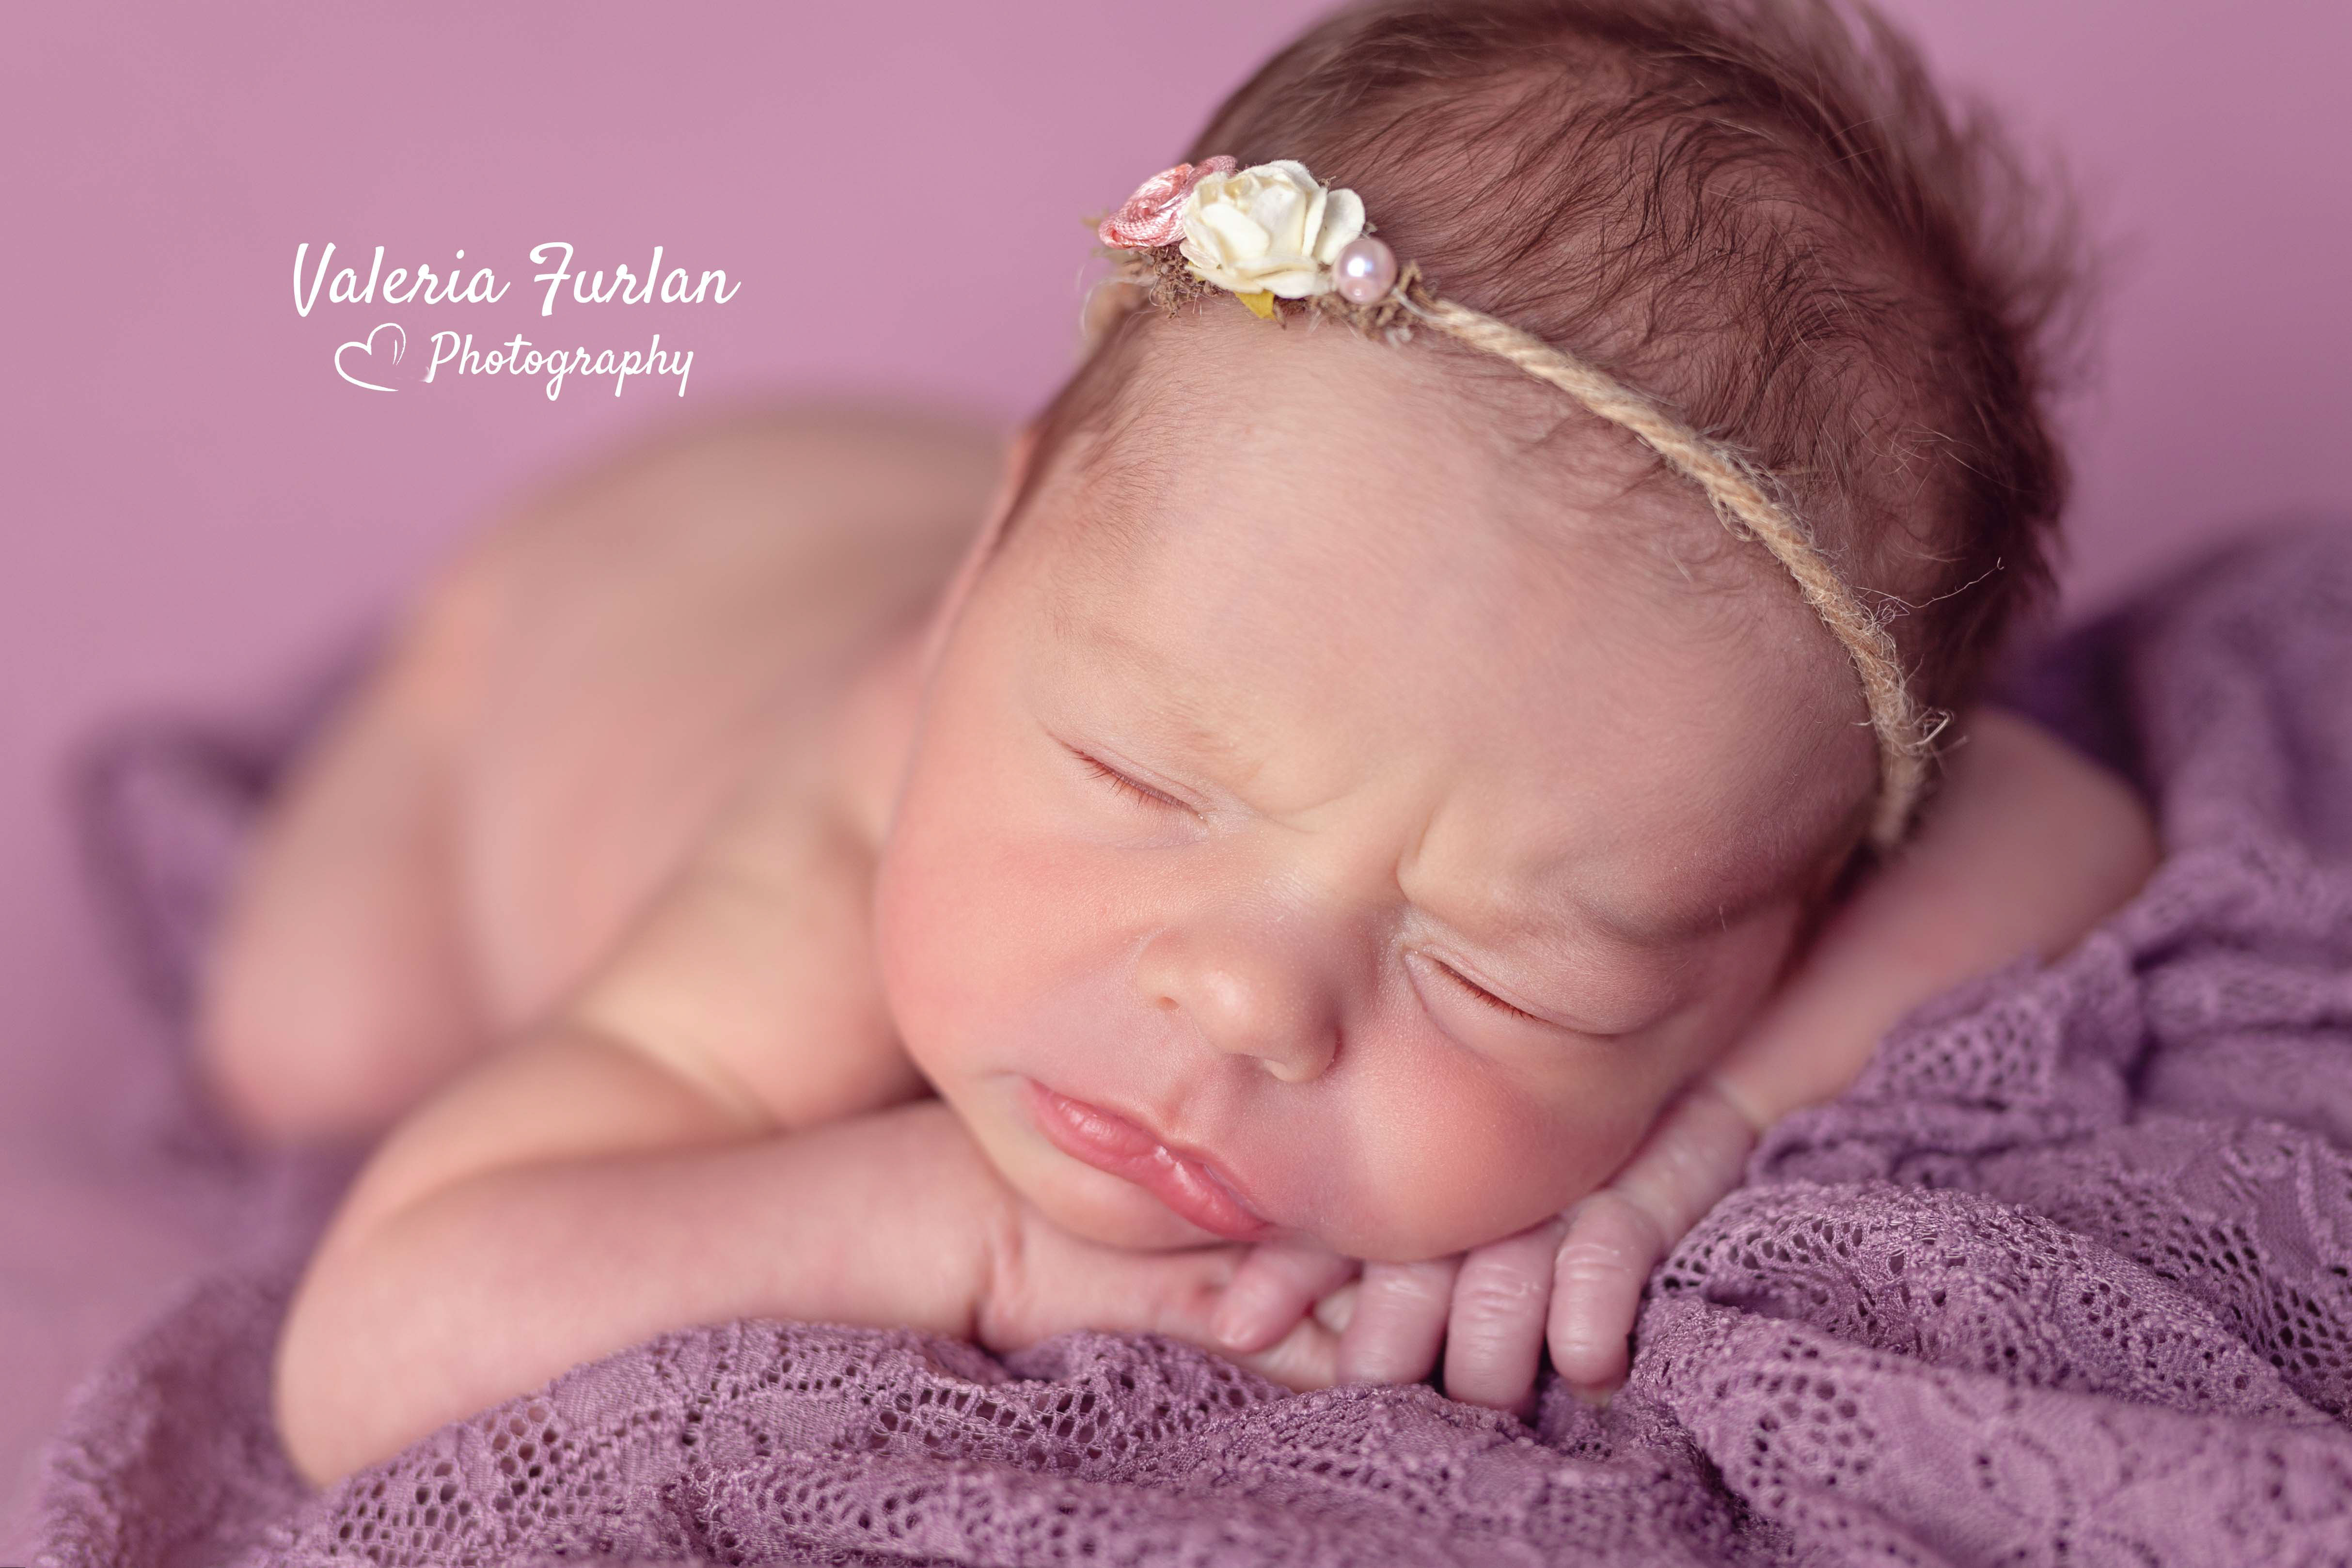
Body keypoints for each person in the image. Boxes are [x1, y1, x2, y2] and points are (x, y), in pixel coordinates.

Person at [196, 0, 2159, 1488]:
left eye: (1504, 968)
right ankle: (435, 699)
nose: (1240, 992)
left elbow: (2056, 816)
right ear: (990, 572)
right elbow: (374, 1336)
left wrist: (1690, 1150)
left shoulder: (1685, 782)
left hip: (1024, 528)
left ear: (1791, 906)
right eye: (1136, 780)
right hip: (601, 597)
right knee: (310, 1042)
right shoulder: (834, 828)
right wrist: (963, 1231)